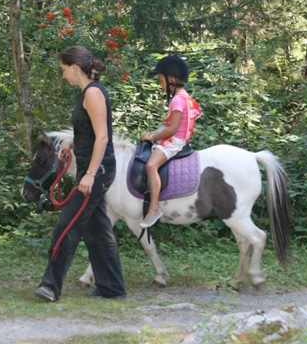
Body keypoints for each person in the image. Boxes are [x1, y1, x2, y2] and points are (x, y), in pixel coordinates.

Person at [34, 45, 126, 302]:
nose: (63, 76)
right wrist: (73, 144)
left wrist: (90, 174)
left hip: (97, 169)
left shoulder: (93, 93)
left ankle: (50, 286)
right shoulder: (88, 92)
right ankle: (112, 287)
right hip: (92, 165)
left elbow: (103, 136)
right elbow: (91, 132)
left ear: (75, 68)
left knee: (67, 226)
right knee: (97, 229)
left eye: (64, 70)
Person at [139, 55, 202, 229]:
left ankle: (153, 208)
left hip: (174, 141)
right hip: (178, 139)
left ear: (172, 79)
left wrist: (150, 136)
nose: (161, 85)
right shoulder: (185, 97)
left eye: (161, 81)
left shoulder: (176, 100)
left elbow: (172, 129)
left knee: (151, 166)